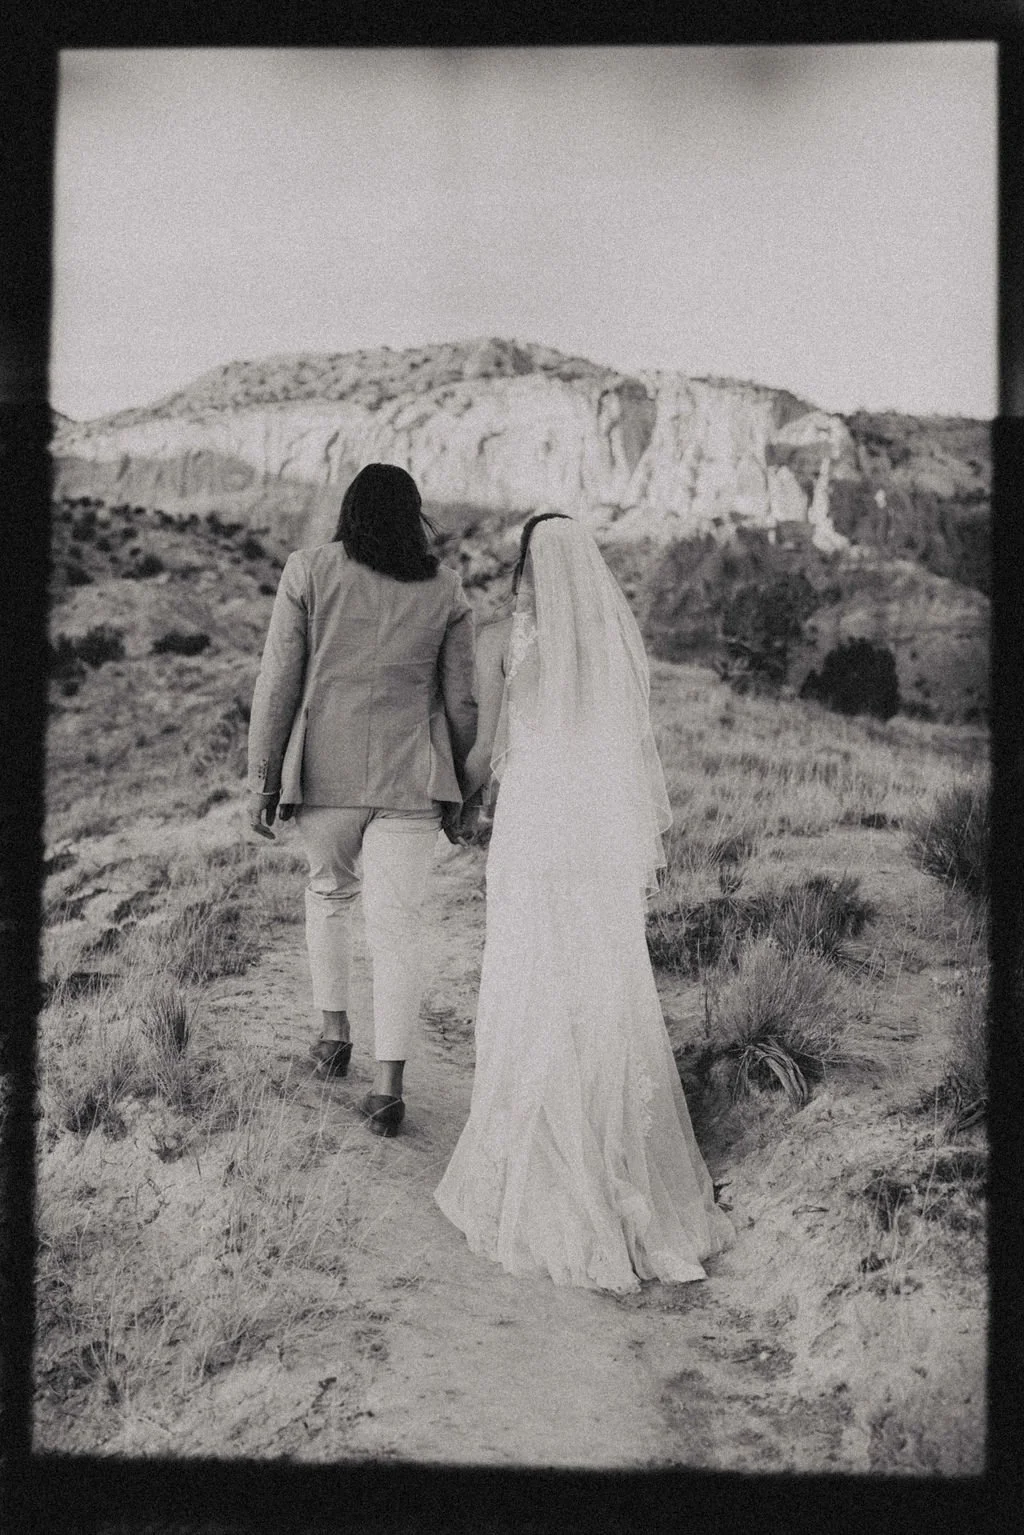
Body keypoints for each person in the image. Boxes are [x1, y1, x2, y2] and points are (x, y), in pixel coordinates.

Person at [434, 514, 734, 1292]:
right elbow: (626, 759)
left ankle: (543, 1169)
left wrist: (451, 803)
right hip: (595, 844)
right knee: (600, 982)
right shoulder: (610, 649)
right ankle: (616, 1155)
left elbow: (480, 753)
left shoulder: (508, 644)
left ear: (529, 567)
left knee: (531, 976)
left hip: (534, 837)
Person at [246, 464, 477, 1137]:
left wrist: (263, 781)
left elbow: (278, 681)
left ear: (349, 511)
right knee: (398, 929)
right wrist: (465, 789)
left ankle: (333, 1035)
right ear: (415, 516)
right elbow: (463, 699)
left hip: (327, 773)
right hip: (411, 779)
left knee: (328, 895)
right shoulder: (443, 587)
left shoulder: (307, 570)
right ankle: (388, 1088)